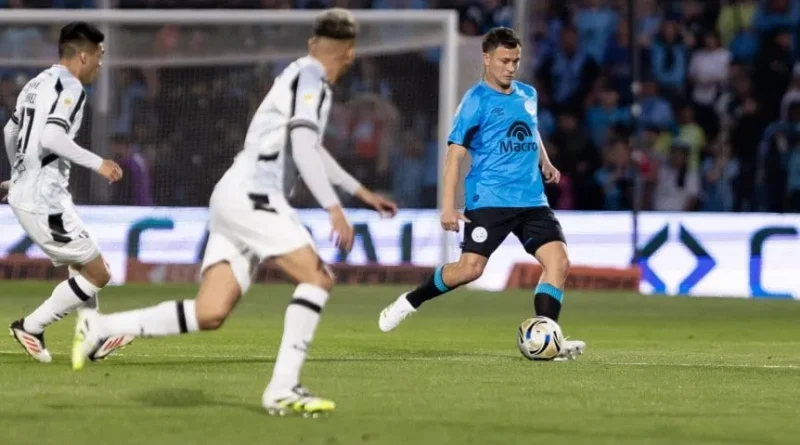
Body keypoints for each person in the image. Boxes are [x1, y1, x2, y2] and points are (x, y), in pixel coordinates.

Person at [71, 9, 398, 416]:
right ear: (349, 53)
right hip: (254, 194)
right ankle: (283, 387)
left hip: (232, 194)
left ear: (315, 43)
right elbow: (302, 145)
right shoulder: (311, 77)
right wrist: (334, 208)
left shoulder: (300, 75)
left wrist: (360, 192)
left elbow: (310, 148)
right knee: (317, 278)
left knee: (210, 312)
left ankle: (102, 326)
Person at [378, 27, 585, 361]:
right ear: (486, 59)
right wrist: (448, 207)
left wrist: (545, 161)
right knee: (469, 269)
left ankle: (547, 340)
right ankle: (409, 301)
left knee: (558, 262)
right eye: (504, 60)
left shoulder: (527, 94)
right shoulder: (475, 101)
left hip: (532, 199)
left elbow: (530, 130)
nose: (510, 67)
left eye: (515, 60)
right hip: (490, 199)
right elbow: (454, 157)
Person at [2, 22, 132, 364]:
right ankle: (31, 326)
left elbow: (11, 130)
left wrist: (18, 175)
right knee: (99, 273)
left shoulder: (36, 83)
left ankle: (94, 337)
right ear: (83, 55)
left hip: (40, 194)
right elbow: (51, 138)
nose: (101, 63)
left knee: (83, 264)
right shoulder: (72, 87)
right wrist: (99, 163)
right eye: (100, 55)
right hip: (44, 200)